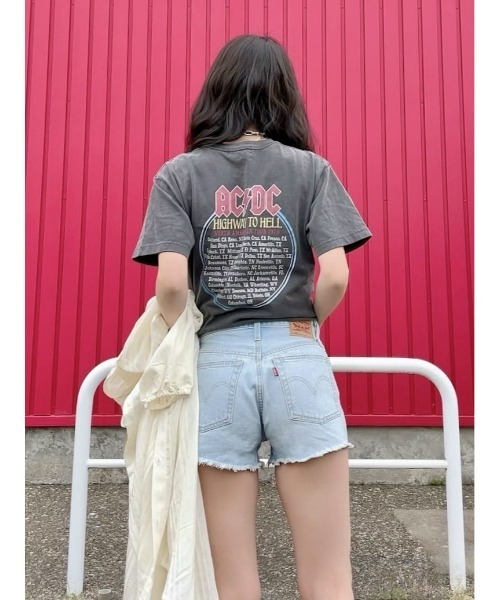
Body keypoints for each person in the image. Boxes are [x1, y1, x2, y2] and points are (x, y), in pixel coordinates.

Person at [132, 34, 371, 600]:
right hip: (297, 352)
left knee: (230, 578)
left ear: (214, 93)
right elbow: (335, 276)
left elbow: (171, 285)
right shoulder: (311, 170)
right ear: (285, 96)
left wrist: (178, 334)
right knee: (328, 576)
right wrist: (305, 324)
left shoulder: (178, 175)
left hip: (216, 363)